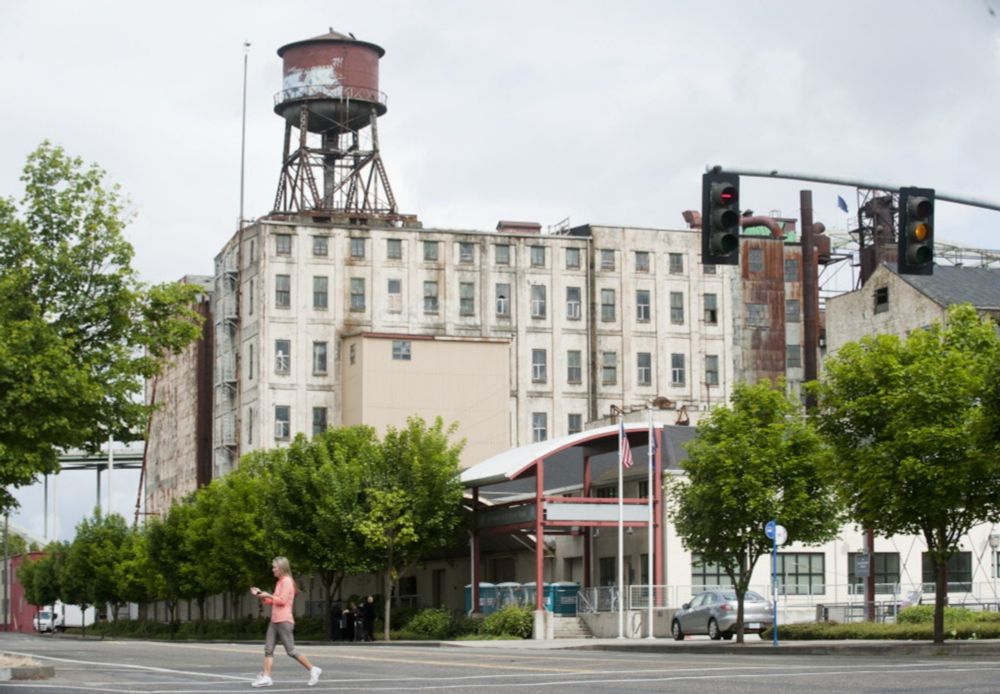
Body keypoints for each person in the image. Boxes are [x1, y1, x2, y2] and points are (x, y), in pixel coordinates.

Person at [249, 556, 322, 688]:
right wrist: (260, 595)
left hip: (284, 621)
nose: (272, 569)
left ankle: (313, 669)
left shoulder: (287, 581)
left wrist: (268, 595)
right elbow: (272, 602)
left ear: (281, 568)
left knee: (291, 651)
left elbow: (282, 601)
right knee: (268, 649)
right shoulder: (279, 582)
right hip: (274, 621)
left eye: (274, 567)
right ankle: (267, 677)